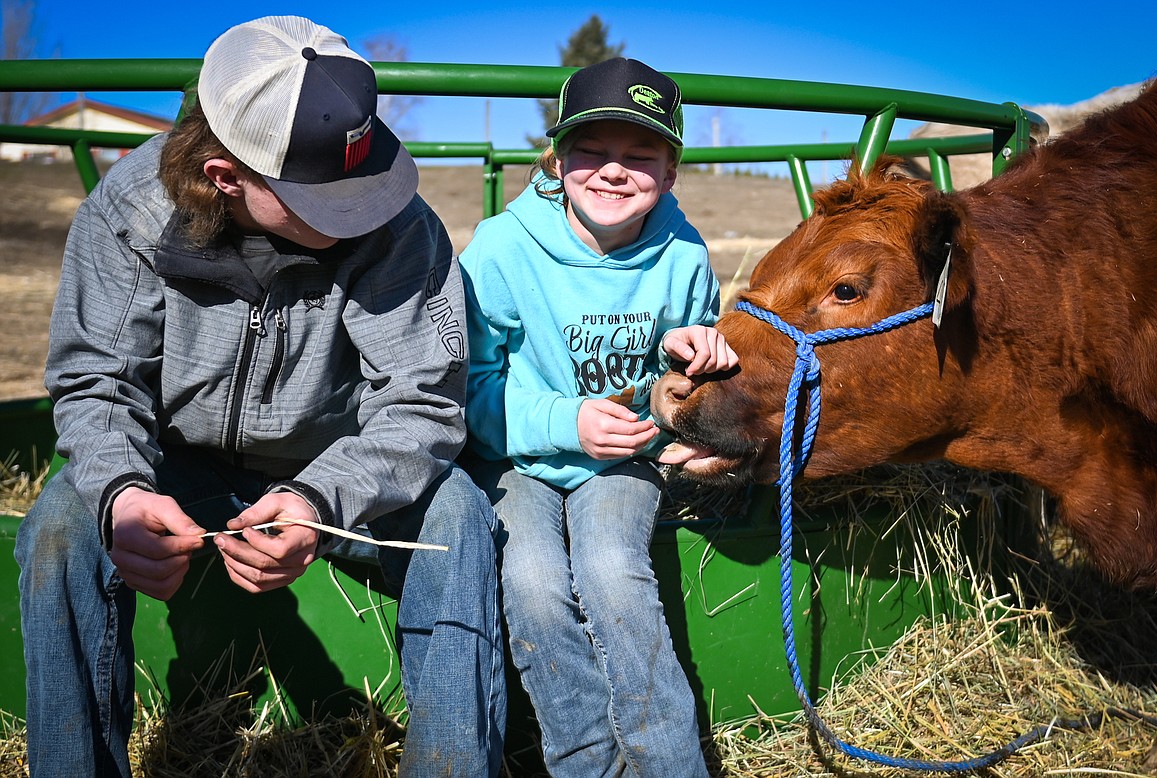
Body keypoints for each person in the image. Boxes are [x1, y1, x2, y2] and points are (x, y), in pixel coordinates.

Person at [15, 16, 504, 778]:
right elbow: (96, 382)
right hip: (174, 468)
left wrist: (319, 498)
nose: (363, 208)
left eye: (364, 175)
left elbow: (424, 402)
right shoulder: (130, 214)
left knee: (457, 515)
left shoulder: (399, 226)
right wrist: (121, 494)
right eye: (324, 198)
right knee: (57, 527)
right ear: (224, 176)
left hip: (337, 468)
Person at [458, 57, 737, 776]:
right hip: (517, 459)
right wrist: (566, 422)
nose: (614, 172)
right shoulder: (501, 249)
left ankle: (671, 763)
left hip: (621, 461)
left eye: (640, 157)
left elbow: (681, 387)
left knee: (614, 571)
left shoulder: (683, 253)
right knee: (531, 585)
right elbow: (470, 391)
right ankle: (590, 764)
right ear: (557, 157)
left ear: (670, 173)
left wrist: (691, 356)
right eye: (592, 152)